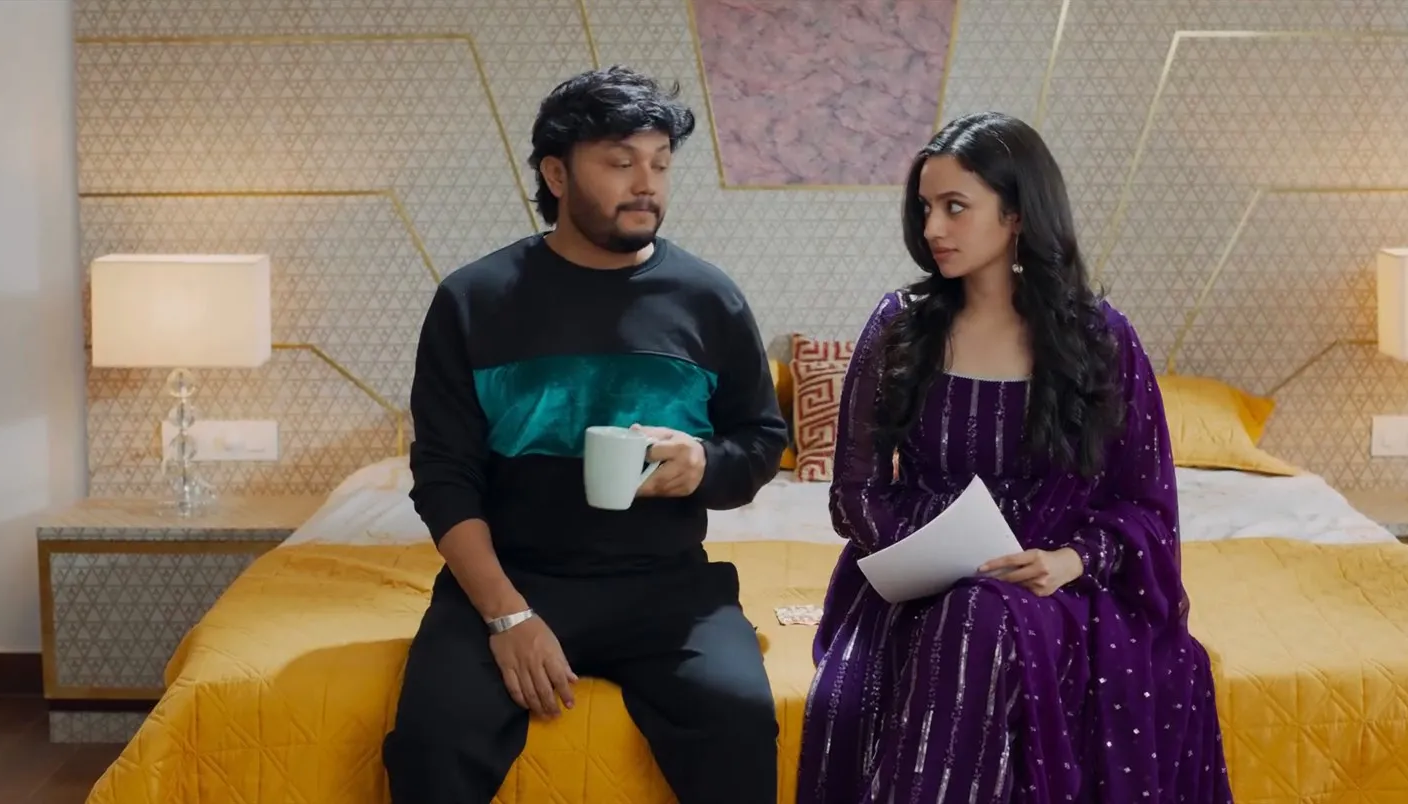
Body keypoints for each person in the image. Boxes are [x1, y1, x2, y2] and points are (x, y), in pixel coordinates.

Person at [795, 111, 1234, 804]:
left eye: (955, 207)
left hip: (1057, 589)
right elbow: (855, 494)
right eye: (925, 208)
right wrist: (937, 553)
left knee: (978, 618)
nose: (932, 228)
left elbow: (1145, 506)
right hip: (914, 583)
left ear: (1019, 215)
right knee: (965, 617)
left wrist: (1069, 560)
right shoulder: (899, 327)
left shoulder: (1100, 340)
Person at [383, 66, 788, 804]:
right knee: (430, 741)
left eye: (660, 163)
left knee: (741, 721)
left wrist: (705, 464)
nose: (646, 184)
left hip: (669, 586)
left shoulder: (709, 298)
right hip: (514, 577)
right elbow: (444, 476)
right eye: (620, 162)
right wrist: (507, 615)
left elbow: (761, 440)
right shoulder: (474, 300)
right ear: (556, 173)